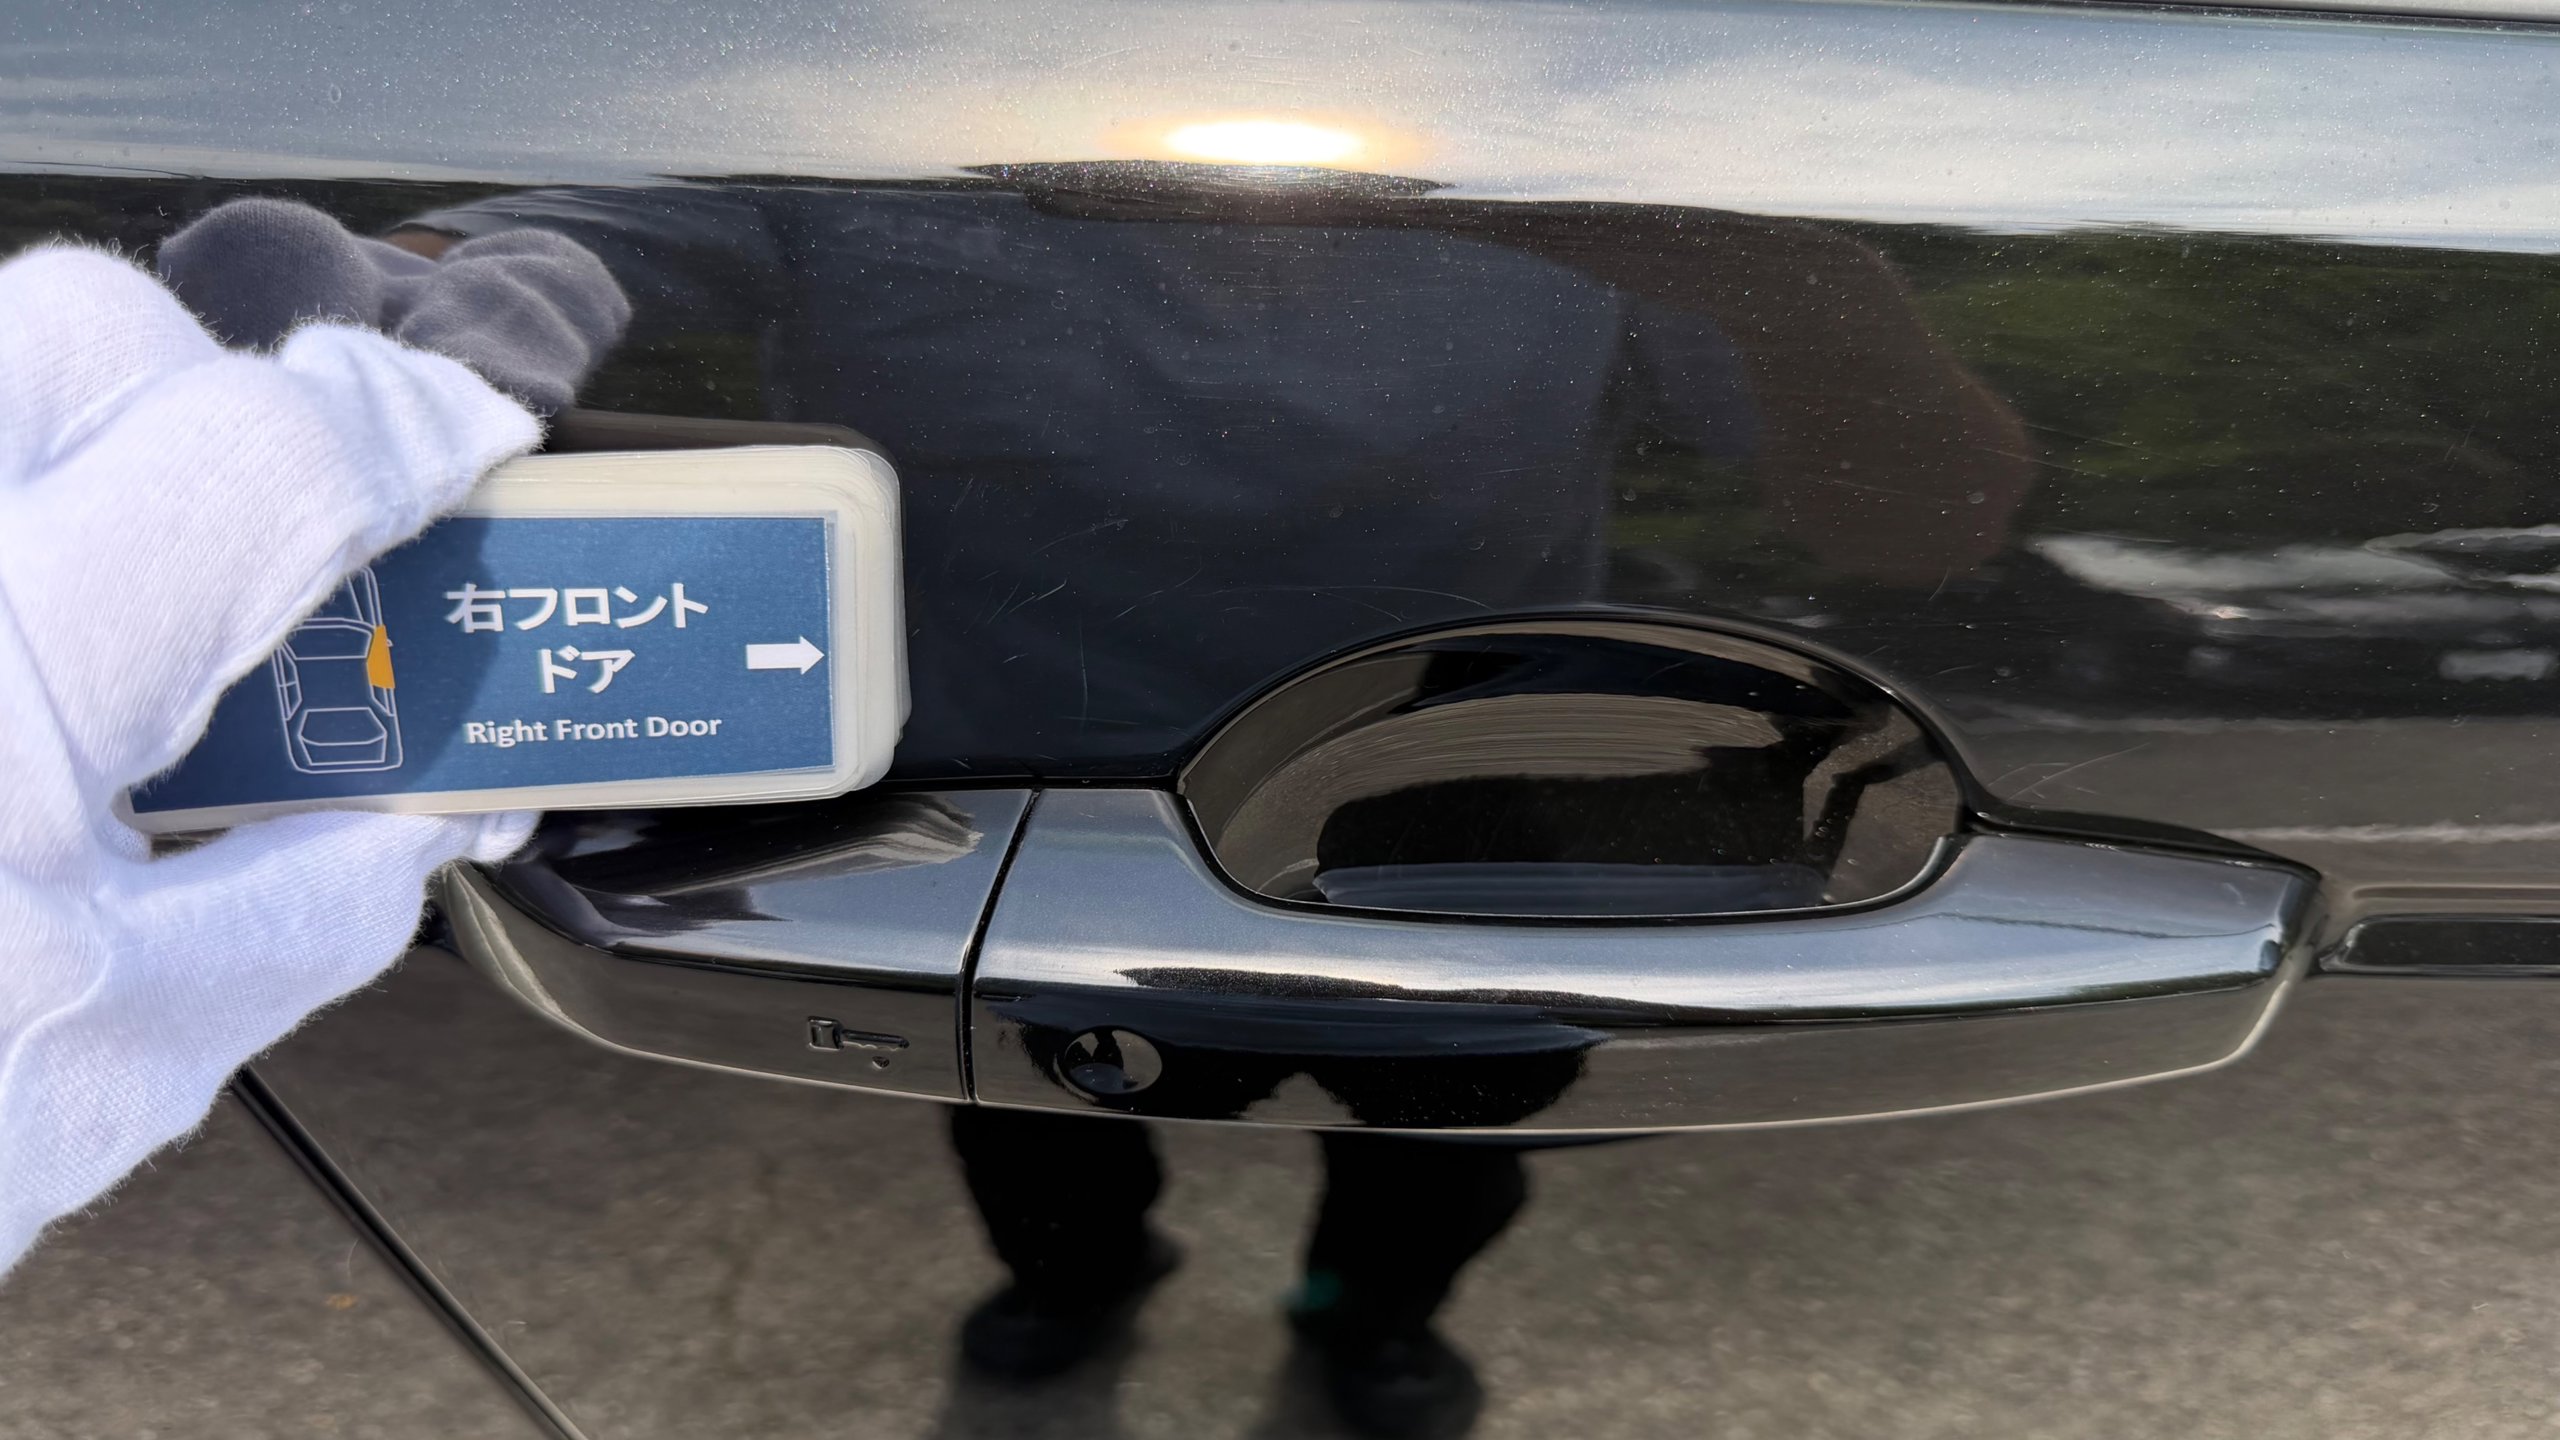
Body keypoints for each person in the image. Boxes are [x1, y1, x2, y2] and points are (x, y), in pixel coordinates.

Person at [380, 172, 2028, 1440]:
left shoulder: (1580, 173)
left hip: (1453, 808)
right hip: (1007, 813)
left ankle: (1361, 1315)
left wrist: (1812, 291)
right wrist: (366, 321)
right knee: (1038, 1131)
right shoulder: (850, 146)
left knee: (1439, 1154)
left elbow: (1919, 532)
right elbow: (513, 249)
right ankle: (1088, 1283)